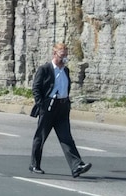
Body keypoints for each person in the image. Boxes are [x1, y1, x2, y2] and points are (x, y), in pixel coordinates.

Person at [28, 43, 92, 177]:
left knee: (66, 138)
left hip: (62, 107)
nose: (64, 59)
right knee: (41, 136)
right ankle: (34, 165)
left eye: (66, 56)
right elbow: (36, 88)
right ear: (55, 54)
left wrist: (66, 103)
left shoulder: (66, 70)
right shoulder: (45, 69)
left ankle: (76, 166)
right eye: (62, 55)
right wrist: (41, 106)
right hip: (48, 107)